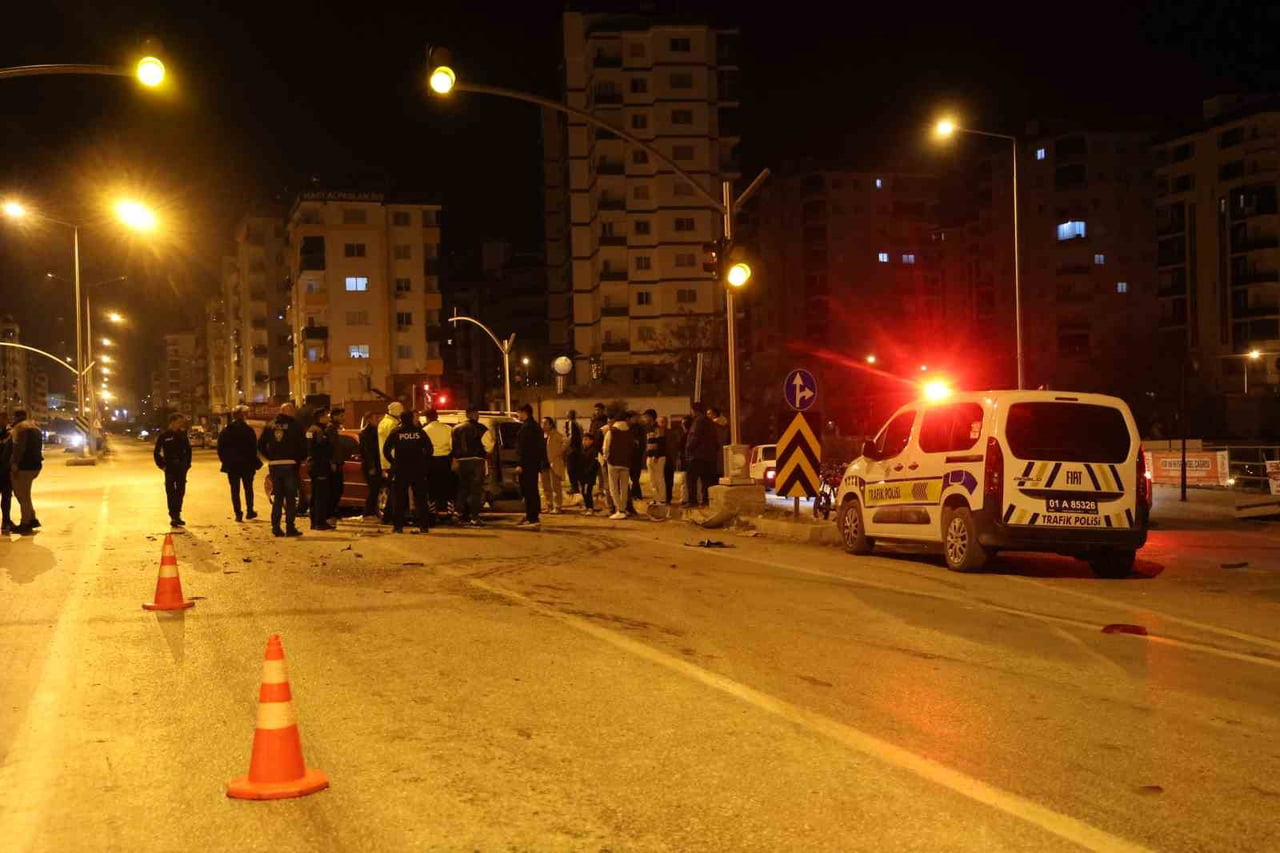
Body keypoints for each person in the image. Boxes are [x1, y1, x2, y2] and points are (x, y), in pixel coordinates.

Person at [258, 402, 307, 537]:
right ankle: (290, 528)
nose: (294, 413)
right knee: (290, 498)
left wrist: (270, 457)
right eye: (293, 410)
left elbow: (260, 445)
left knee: (278, 497)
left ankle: (276, 528)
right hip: (290, 464)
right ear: (289, 411)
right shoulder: (295, 425)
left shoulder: (270, 425)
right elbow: (303, 445)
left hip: (275, 465)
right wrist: (299, 459)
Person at [383, 408, 432, 534]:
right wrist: (423, 462)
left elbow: (386, 450)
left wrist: (394, 462)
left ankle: (398, 527)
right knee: (420, 499)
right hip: (417, 469)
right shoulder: (419, 432)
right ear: (411, 418)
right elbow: (430, 449)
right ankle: (424, 526)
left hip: (401, 469)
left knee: (399, 499)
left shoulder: (396, 432)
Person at [452, 406, 494, 527]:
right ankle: (474, 517)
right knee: (476, 490)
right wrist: (486, 454)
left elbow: (452, 446)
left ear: (466, 415)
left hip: (461, 462)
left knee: (462, 488)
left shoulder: (456, 429)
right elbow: (489, 446)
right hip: (477, 462)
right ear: (475, 414)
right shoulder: (482, 429)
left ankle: (457, 513)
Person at [217, 405, 259, 522]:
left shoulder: (226, 430)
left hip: (232, 465)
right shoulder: (248, 430)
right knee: (248, 488)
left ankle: (238, 513)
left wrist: (226, 461)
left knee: (235, 490)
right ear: (242, 416)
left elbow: (220, 448)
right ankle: (250, 511)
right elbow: (253, 447)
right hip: (247, 464)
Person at [153, 413, 193, 527]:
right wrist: (162, 465)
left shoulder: (182, 435)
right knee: (171, 492)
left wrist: (187, 464)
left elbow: (188, 450)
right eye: (179, 422)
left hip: (181, 468)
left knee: (180, 492)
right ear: (172, 422)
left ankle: (177, 514)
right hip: (169, 468)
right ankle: (173, 516)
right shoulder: (164, 436)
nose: (181, 424)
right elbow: (156, 452)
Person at [9, 409, 42, 535]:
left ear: (16, 417)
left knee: (21, 495)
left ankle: (25, 523)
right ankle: (32, 518)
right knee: (25, 495)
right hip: (36, 466)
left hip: (24, 467)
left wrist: (14, 464)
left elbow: (19, 448)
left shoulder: (20, 428)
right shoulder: (35, 426)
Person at [514, 403, 546, 529]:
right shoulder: (535, 426)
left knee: (529, 490)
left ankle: (532, 518)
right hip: (533, 463)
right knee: (531, 490)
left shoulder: (527, 427)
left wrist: (520, 464)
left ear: (524, 412)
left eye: (519, 412)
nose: (518, 415)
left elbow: (524, 448)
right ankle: (531, 516)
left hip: (527, 464)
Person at [305, 409, 337, 531]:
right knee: (320, 496)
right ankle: (319, 522)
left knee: (317, 494)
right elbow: (319, 450)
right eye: (326, 416)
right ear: (320, 417)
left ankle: (315, 521)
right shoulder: (318, 431)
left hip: (316, 466)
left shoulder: (313, 430)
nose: (328, 417)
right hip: (319, 466)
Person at [423, 407, 455, 524]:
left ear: (427, 418)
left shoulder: (425, 430)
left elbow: (423, 447)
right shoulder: (448, 429)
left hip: (431, 461)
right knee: (446, 487)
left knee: (432, 488)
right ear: (437, 416)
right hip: (445, 460)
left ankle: (432, 513)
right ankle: (448, 513)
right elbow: (452, 445)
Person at [684, 403, 719, 508]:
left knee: (691, 479)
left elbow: (694, 437)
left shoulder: (698, 421)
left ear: (694, 411)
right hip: (708, 456)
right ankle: (706, 501)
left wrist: (688, 448)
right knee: (706, 480)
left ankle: (692, 501)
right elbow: (715, 440)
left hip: (697, 456)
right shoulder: (710, 422)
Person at [602, 412, 635, 520]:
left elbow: (605, 447)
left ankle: (619, 509)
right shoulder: (629, 432)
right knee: (624, 487)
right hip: (626, 463)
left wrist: (606, 458)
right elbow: (632, 447)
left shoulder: (611, 431)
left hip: (613, 462)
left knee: (614, 487)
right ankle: (623, 509)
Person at [588, 402, 614, 514]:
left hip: (603, 450)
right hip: (594, 450)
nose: (597, 412)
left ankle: (604, 492)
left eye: (599, 410)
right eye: (596, 410)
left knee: (605, 474)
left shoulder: (605, 421)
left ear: (603, 410)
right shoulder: (593, 421)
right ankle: (599, 490)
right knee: (596, 472)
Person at [358, 414, 384, 521]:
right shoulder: (365, 433)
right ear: (369, 419)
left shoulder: (375, 431)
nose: (377, 420)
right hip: (370, 465)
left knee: (376, 489)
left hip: (377, 464)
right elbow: (367, 452)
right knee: (373, 489)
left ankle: (373, 511)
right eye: (375, 418)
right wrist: (371, 466)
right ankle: (368, 512)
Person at [540, 416, 565, 514]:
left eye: (545, 423)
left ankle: (557, 506)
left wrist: (558, 452)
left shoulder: (556, 435)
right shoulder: (541, 435)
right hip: (543, 463)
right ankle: (549, 505)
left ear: (550, 425)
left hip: (553, 463)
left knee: (555, 486)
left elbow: (566, 442)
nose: (543, 425)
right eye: (542, 423)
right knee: (545, 486)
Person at [643, 409, 667, 505]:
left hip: (658, 457)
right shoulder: (648, 428)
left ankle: (662, 499)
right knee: (652, 480)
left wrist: (656, 455)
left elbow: (661, 443)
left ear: (651, 417)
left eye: (646, 417)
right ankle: (656, 498)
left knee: (659, 478)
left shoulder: (658, 428)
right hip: (650, 456)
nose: (645, 419)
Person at [327, 407, 347, 520]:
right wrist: (333, 462)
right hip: (334, 464)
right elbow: (330, 447)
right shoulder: (330, 428)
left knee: (338, 489)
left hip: (338, 463)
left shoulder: (335, 428)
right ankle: (331, 511)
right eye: (341, 416)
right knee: (335, 489)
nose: (343, 418)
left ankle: (333, 510)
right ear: (334, 416)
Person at [660, 415, 681, 506]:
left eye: (664, 422)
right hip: (660, 459)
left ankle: (668, 498)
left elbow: (675, 446)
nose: (662, 424)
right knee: (661, 479)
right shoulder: (658, 433)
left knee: (668, 479)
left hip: (669, 459)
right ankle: (662, 497)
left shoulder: (671, 433)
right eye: (661, 422)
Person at [563, 409, 583, 497]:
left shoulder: (571, 423)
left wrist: (566, 447)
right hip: (577, 450)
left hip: (572, 450)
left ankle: (574, 487)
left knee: (571, 469)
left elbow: (571, 437)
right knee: (575, 469)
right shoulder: (577, 424)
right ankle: (576, 487)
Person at [579, 433, 600, 514]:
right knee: (583, 491)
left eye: (586, 439)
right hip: (582, 475)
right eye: (583, 439)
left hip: (590, 475)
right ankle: (587, 506)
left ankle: (590, 508)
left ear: (591, 441)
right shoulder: (582, 450)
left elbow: (595, 463)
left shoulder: (594, 451)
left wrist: (589, 471)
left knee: (588, 491)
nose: (584, 441)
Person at [708, 405, 730, 479]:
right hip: (723, 450)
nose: (707, 416)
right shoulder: (725, 425)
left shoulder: (712, 425)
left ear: (714, 414)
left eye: (709, 414)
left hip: (715, 450)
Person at [0, 412, 12, 534]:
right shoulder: (9, 434)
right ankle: (6, 522)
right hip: (4, 469)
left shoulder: (9, 433)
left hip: (5, 470)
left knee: (6, 497)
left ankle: (6, 521)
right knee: (6, 496)